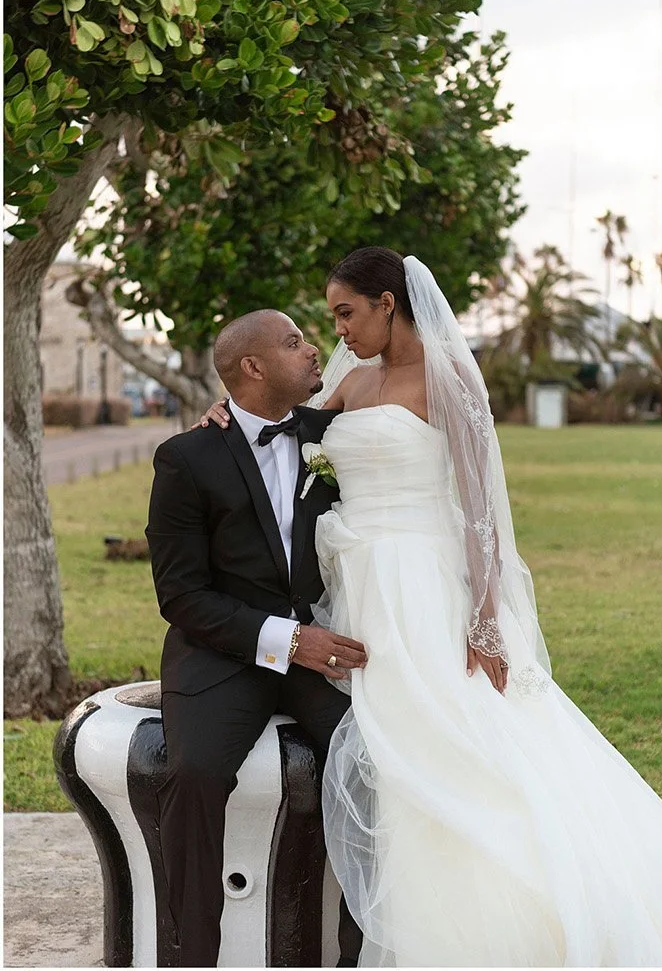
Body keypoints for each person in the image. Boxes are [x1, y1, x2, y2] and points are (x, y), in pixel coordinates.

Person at [197, 247, 662, 965]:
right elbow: (280, 429)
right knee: (389, 746)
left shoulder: (449, 379)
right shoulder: (351, 381)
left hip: (421, 583)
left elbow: (481, 508)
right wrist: (226, 410)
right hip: (355, 585)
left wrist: (486, 617)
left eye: (346, 312)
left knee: (446, 742)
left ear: (388, 303)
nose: (337, 330)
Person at [148, 308, 367, 965]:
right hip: (224, 651)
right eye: (294, 342)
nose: (313, 349)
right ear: (253, 367)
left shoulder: (334, 436)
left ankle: (359, 953)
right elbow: (181, 595)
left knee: (373, 763)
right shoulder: (187, 458)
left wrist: (312, 641)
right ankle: (192, 954)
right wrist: (290, 640)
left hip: (324, 650)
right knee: (194, 773)